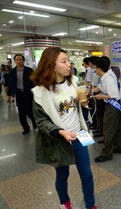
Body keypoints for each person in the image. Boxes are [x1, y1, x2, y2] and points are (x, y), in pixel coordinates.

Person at [31, 47, 98, 209]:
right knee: (62, 175)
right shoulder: (40, 92)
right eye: (64, 61)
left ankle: (91, 205)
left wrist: (84, 104)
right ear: (51, 65)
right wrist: (61, 132)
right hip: (59, 139)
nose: (69, 64)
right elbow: (41, 121)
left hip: (78, 135)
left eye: (68, 60)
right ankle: (64, 203)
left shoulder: (73, 81)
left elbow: (78, 108)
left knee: (87, 174)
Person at [93, 56, 121, 162]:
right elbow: (100, 87)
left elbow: (113, 94)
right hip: (115, 104)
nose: (95, 70)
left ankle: (107, 153)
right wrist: (91, 91)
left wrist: (101, 96)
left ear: (99, 68)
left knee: (108, 129)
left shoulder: (107, 78)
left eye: (95, 68)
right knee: (117, 127)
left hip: (112, 105)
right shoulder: (107, 75)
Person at [9, 54, 36, 134]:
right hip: (18, 93)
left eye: (20, 59)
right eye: (17, 59)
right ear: (14, 61)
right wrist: (10, 94)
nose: (18, 61)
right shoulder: (12, 71)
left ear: (23, 61)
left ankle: (35, 124)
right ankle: (25, 127)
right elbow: (11, 83)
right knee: (21, 112)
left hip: (28, 93)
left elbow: (34, 81)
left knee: (29, 110)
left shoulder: (29, 70)